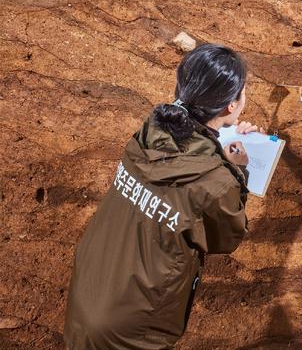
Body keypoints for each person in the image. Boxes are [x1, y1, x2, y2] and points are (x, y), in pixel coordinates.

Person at [64, 44, 262, 349]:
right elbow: (226, 237)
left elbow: (180, 165)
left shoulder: (150, 131)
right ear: (230, 106)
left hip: (90, 291)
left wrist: (218, 142)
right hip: (133, 324)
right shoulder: (216, 182)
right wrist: (237, 171)